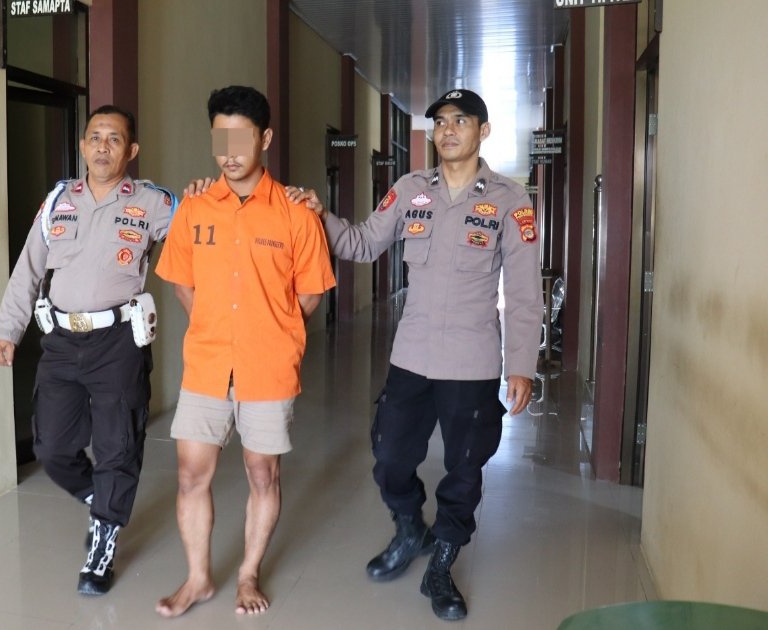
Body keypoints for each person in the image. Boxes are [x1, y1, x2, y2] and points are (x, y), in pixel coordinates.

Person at [291, 88, 542, 621]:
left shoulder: (510, 200)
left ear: (483, 131)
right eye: (440, 122)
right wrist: (320, 214)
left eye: (461, 121)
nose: (448, 130)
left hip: (472, 362)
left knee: (464, 470)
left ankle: (441, 564)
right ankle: (409, 527)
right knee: (389, 457)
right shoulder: (409, 190)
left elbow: (524, 291)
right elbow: (361, 244)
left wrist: (522, 364)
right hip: (412, 355)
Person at [153, 85, 336, 618]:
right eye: (221, 139)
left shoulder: (297, 214)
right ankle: (197, 579)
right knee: (191, 475)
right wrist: (219, 325)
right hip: (206, 365)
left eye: (241, 138)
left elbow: (310, 294)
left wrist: (270, 331)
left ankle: (248, 573)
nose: (230, 153)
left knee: (262, 475)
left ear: (266, 139)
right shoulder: (193, 208)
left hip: (268, 369)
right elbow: (182, 282)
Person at [0, 104, 177, 597]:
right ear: (82, 145)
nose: (102, 147)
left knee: (118, 444)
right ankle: (103, 500)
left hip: (118, 342)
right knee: (50, 446)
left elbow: (201, 242)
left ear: (131, 150)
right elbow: (28, 269)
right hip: (61, 341)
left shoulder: (154, 203)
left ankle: (103, 542)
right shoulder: (59, 201)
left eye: (114, 139)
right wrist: (7, 330)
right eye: (95, 137)